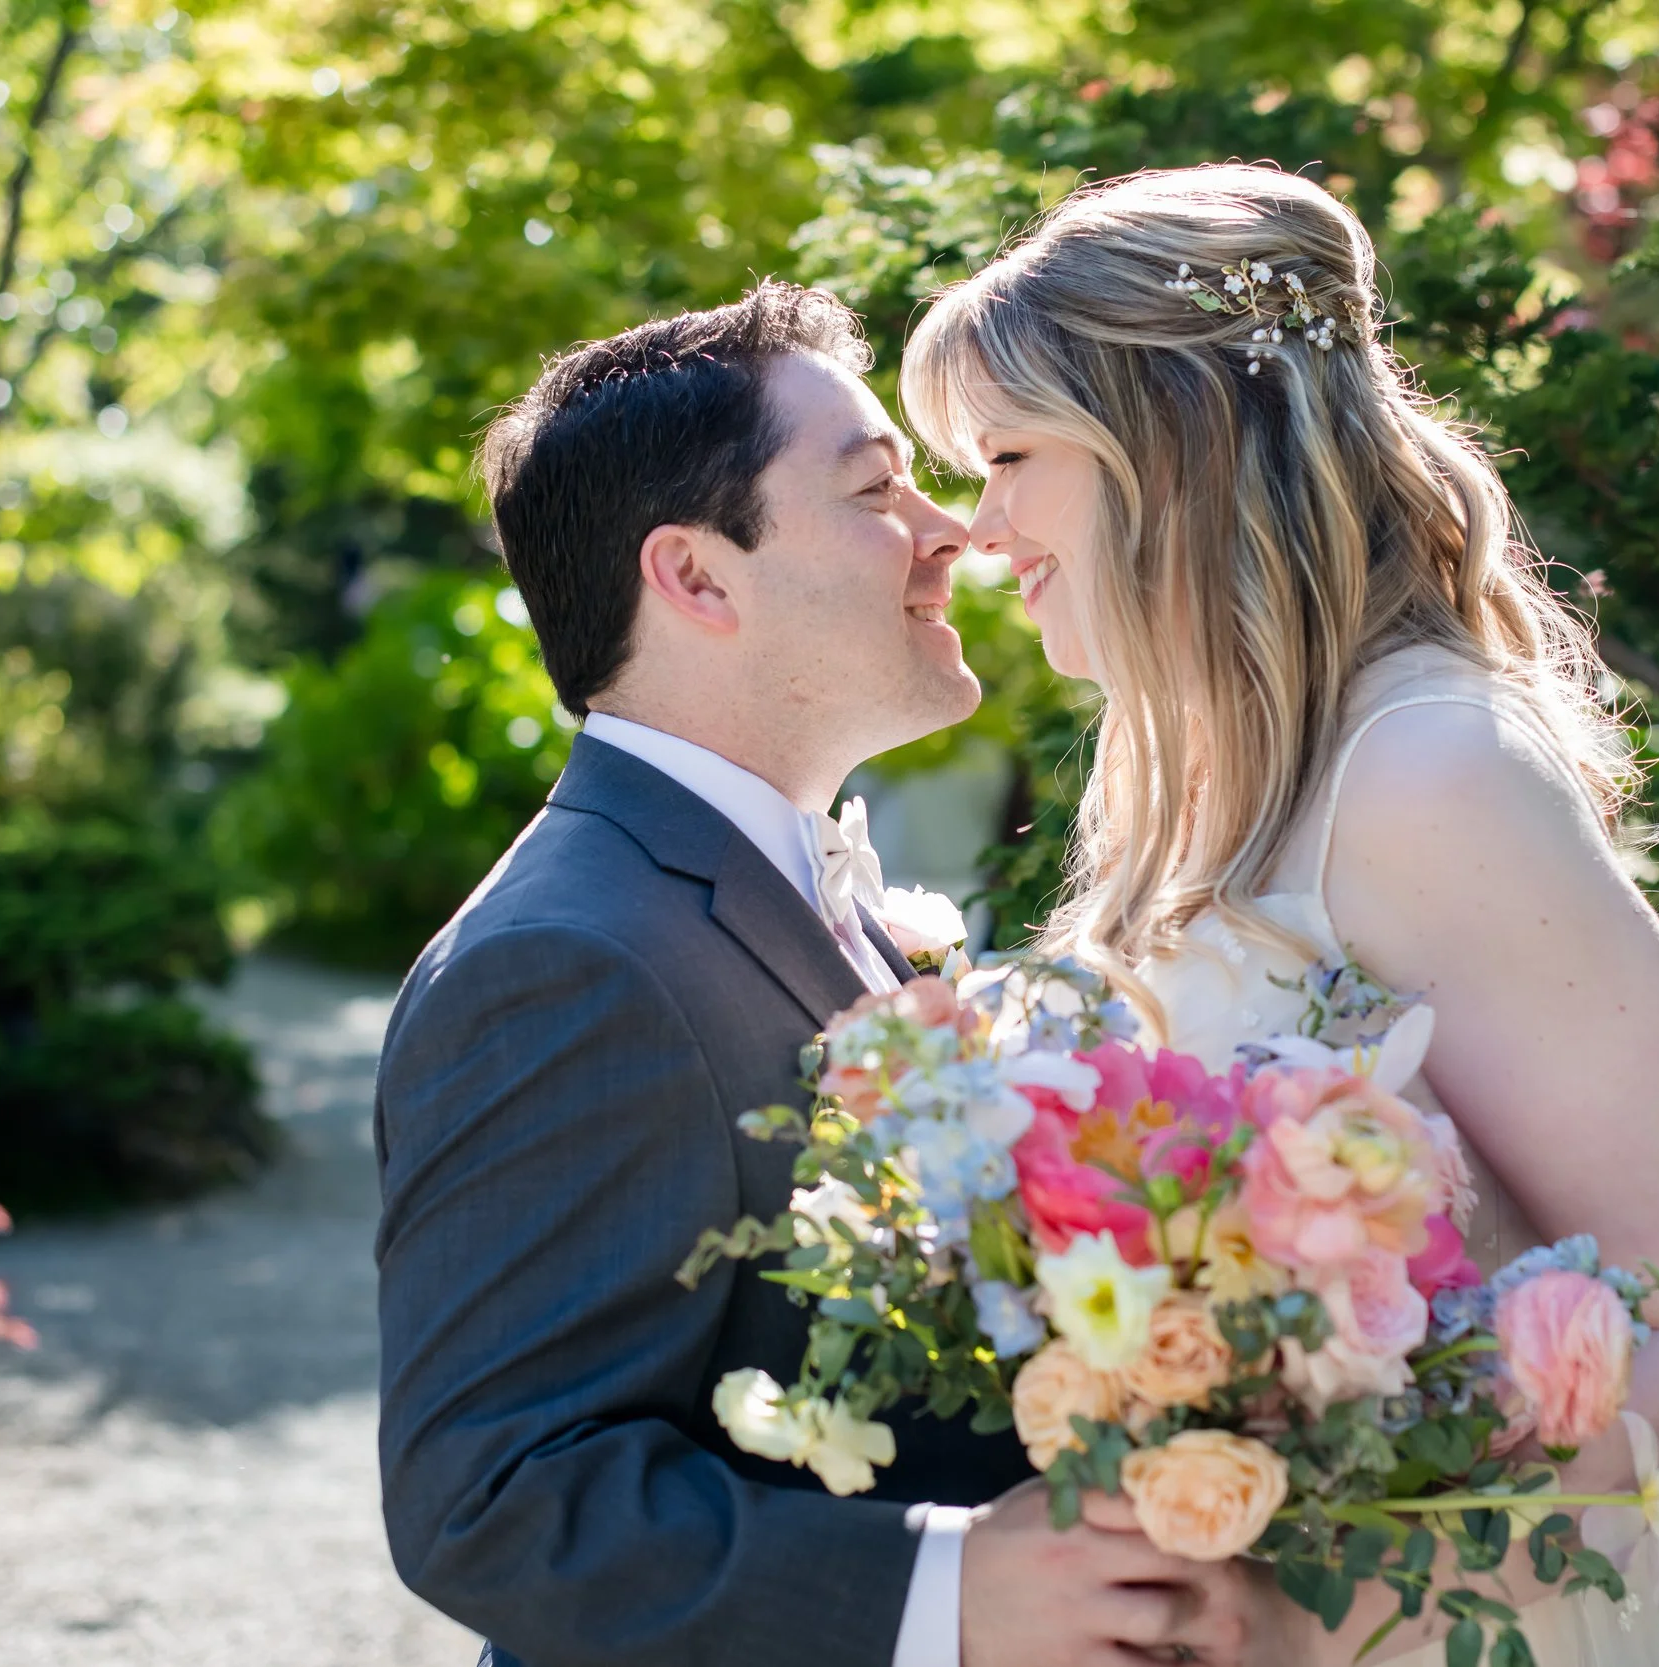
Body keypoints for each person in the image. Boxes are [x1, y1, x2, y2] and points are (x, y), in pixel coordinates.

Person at [901, 165, 1659, 1665]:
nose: (981, 526)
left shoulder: (1425, 768)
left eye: (1006, 454)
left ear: (1170, 446)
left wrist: (1332, 1607)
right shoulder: (1187, 770)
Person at [373, 281, 1307, 1667]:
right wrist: (942, 1592)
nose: (956, 533)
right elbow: (491, 1498)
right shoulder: (563, 964)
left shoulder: (815, 895)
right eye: (880, 491)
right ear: (696, 576)